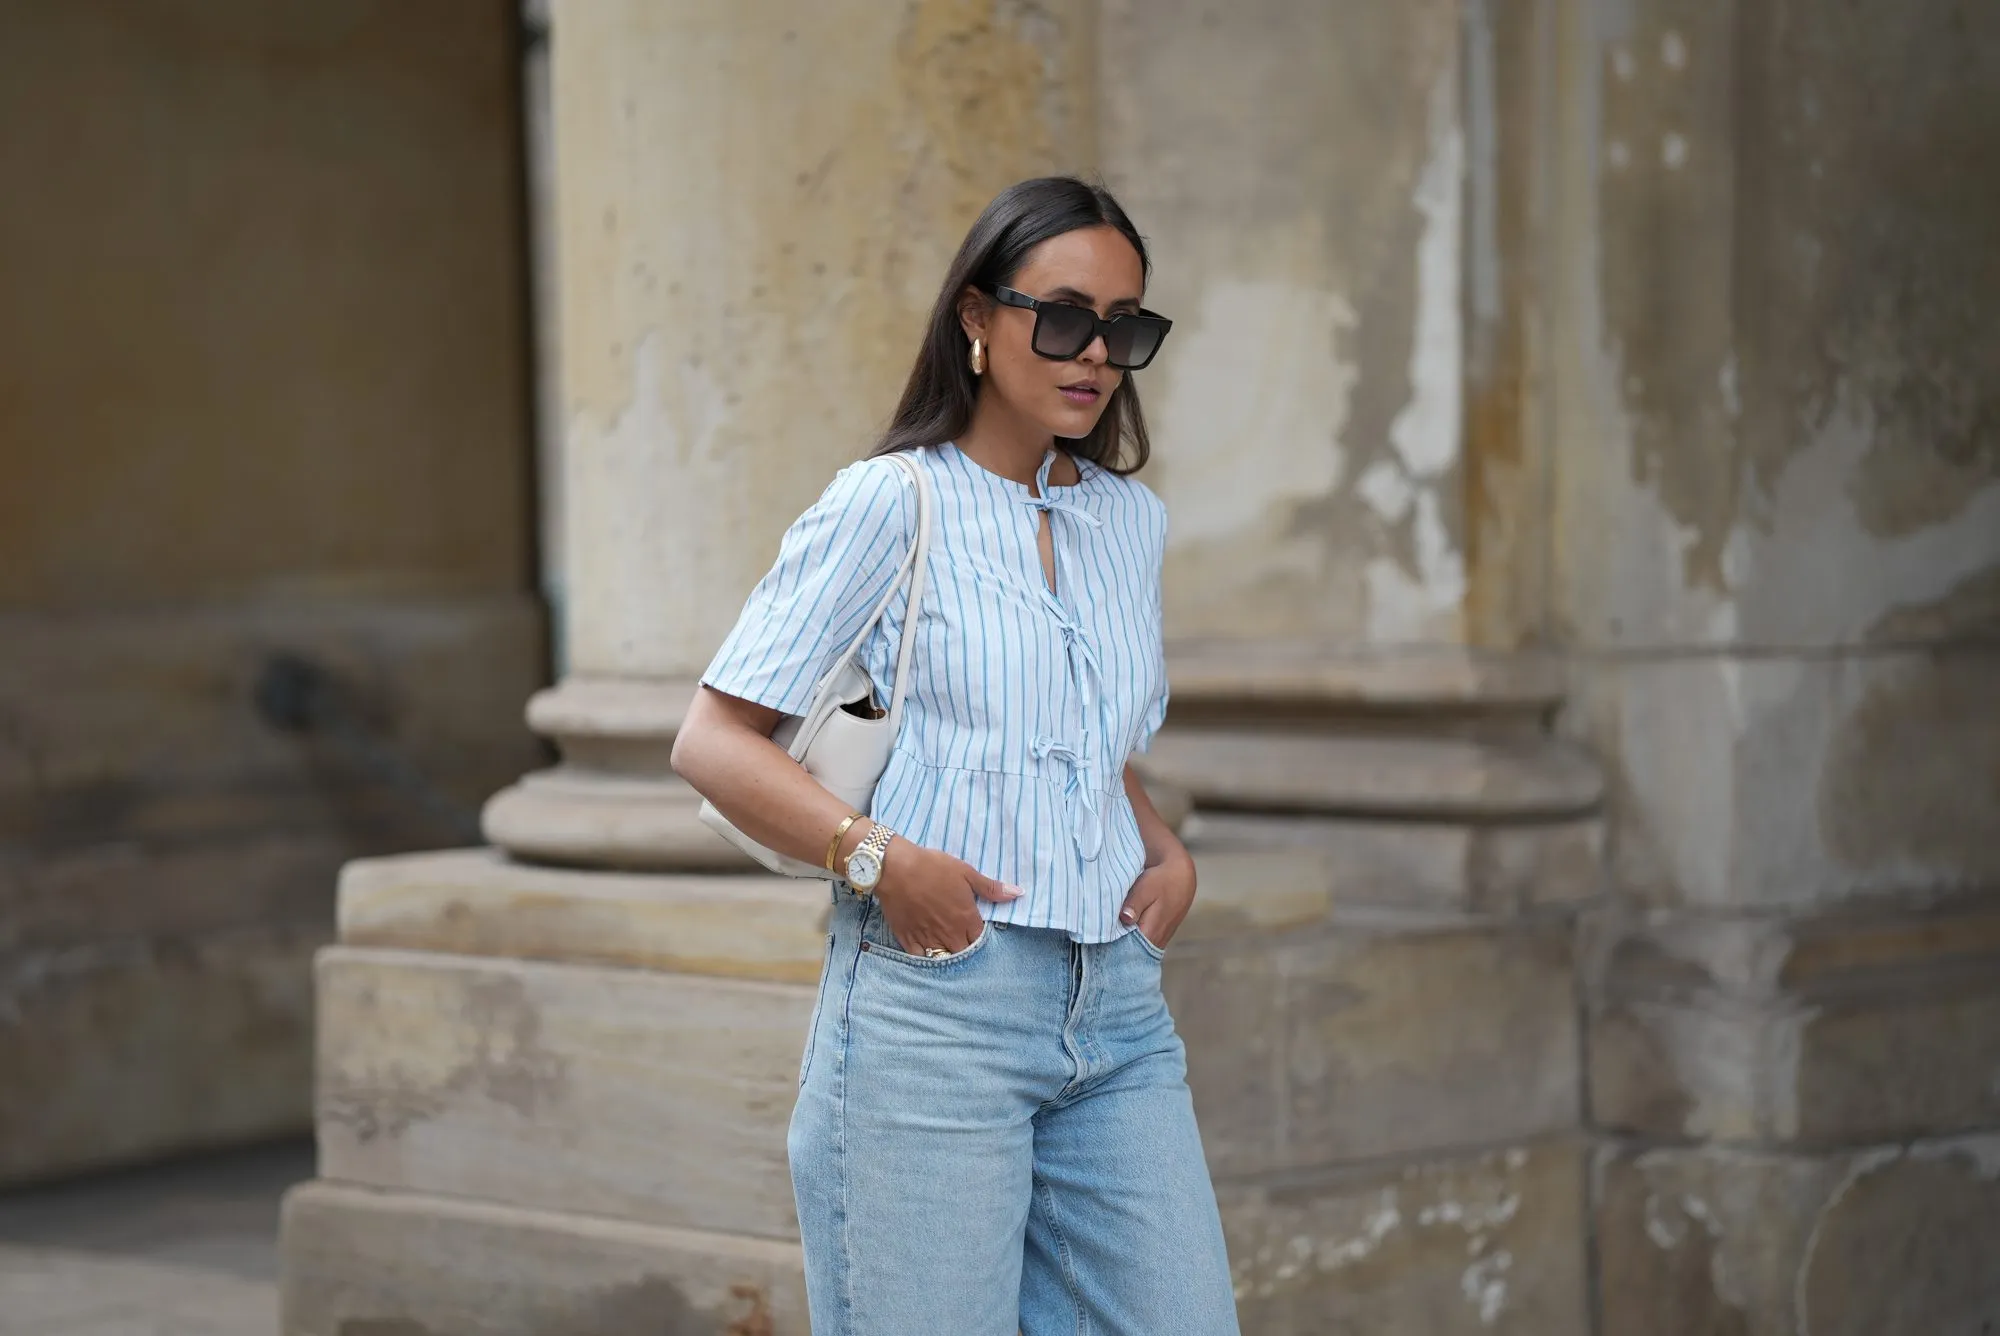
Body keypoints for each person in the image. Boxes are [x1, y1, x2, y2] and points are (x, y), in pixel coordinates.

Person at [671, 176, 1238, 1335]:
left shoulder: (1130, 523)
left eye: (1124, 327)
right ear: (976, 317)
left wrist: (1161, 845)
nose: (1095, 354)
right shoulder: (890, 502)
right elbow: (711, 741)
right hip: (935, 1009)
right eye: (1064, 316)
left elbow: (1083, 739)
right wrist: (877, 858)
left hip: (1117, 1008)